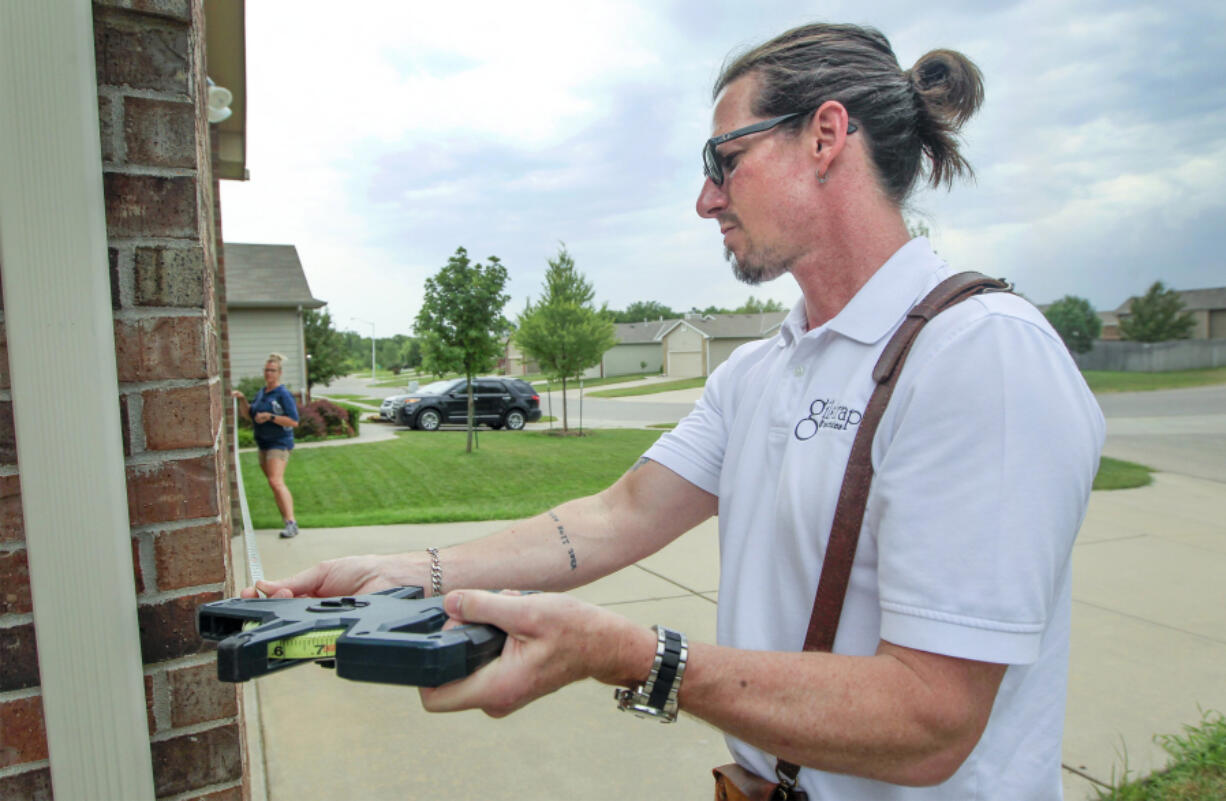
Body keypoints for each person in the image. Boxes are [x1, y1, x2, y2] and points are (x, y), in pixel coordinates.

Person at [245, 23, 1105, 799]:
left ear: (826, 136)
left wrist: (628, 654)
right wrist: (412, 572)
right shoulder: (762, 369)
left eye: (724, 159)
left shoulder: (980, 355)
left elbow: (932, 719)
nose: (705, 199)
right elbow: (621, 513)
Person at [233, 353, 301, 539]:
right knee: (274, 484)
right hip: (263, 443)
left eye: (272, 370)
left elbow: (294, 421)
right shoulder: (262, 393)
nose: (268, 373)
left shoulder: (283, 394)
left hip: (279, 443)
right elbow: (250, 415)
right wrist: (242, 400)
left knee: (276, 481)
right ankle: (287, 521)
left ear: (279, 372)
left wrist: (270, 417)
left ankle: (291, 523)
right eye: (266, 370)